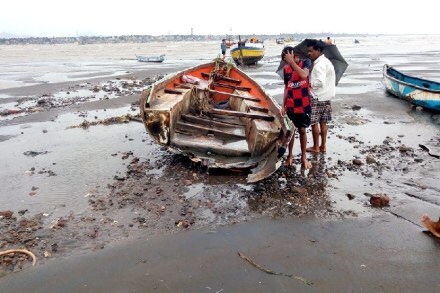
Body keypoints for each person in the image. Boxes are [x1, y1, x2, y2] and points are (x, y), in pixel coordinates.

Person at [280, 46, 312, 169]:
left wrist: (292, 62)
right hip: (291, 105)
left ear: (294, 55)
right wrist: (283, 105)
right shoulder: (286, 69)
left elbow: (304, 75)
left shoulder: (306, 63)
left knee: (302, 131)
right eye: (285, 59)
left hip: (303, 105)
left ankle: (304, 157)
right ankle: (290, 156)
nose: (287, 61)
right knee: (290, 132)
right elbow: (287, 87)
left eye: (288, 58)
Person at [306, 39, 336, 154]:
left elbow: (320, 82)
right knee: (323, 122)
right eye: (308, 51)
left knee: (314, 123)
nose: (309, 53)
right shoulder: (326, 61)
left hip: (317, 96)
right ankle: (323, 146)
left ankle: (316, 147)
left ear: (318, 50)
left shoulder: (319, 65)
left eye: (311, 51)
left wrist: (309, 84)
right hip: (326, 96)